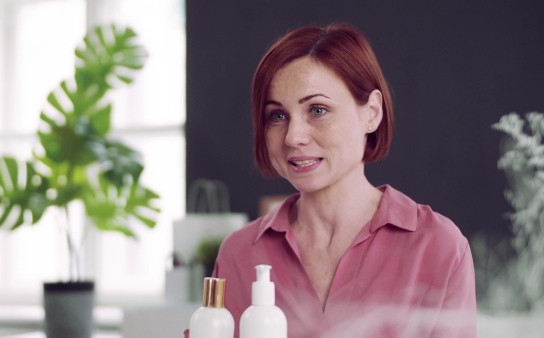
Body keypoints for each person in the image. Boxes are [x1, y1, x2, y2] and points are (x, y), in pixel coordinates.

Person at [186, 22, 476, 338]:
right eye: (277, 116)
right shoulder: (240, 254)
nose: (294, 137)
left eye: (318, 110)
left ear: (372, 113)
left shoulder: (438, 248)